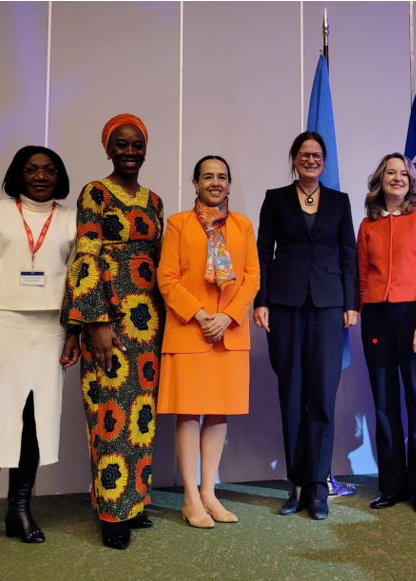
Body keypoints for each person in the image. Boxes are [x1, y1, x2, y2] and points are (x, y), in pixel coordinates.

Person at [0, 146, 79, 559]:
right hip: (1, 327)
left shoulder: (70, 219)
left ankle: (19, 511)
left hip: (49, 330)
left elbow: (79, 282)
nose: (41, 176)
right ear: (18, 173)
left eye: (49, 170)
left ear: (59, 176)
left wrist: (73, 333)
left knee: (34, 423)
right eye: (31, 169)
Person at [62, 114, 164, 549]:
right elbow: (85, 253)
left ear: (145, 148)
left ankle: (134, 502)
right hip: (110, 313)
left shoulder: (155, 200)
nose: (129, 151)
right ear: (108, 148)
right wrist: (95, 322)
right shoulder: (95, 193)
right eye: (120, 144)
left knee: (141, 413)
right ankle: (112, 513)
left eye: (136, 144)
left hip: (149, 319)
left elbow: (162, 260)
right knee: (109, 412)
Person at [254, 132, 358, 520]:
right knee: (292, 394)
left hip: (330, 306)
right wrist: (261, 300)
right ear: (293, 159)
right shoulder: (275, 198)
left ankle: (318, 488)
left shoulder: (339, 201)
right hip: (284, 304)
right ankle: (296, 484)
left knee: (322, 395)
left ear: (324, 161)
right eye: (304, 154)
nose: (310, 160)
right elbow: (264, 252)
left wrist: (351, 303)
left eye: (316, 155)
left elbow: (349, 254)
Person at [157, 156, 259, 528]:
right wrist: (202, 315)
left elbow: (251, 278)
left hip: (228, 332)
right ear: (195, 184)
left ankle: (208, 493)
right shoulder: (178, 224)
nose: (215, 182)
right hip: (189, 330)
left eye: (222, 177)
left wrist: (227, 317)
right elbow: (167, 277)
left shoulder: (244, 226)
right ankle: (189, 497)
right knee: (189, 410)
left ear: (230, 185)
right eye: (207, 177)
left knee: (219, 410)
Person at [358, 153, 416, 515]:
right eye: (390, 173)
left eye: (403, 174)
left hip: (415, 316)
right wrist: (363, 308)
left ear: (411, 181)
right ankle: (391, 487)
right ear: (380, 180)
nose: (397, 178)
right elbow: (362, 275)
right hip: (377, 316)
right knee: (384, 405)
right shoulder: (368, 224)